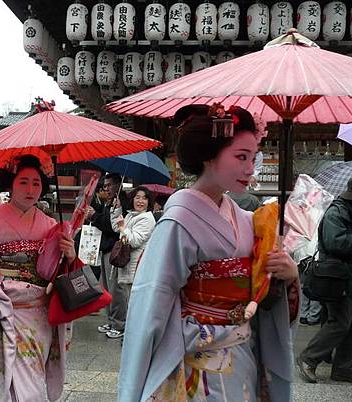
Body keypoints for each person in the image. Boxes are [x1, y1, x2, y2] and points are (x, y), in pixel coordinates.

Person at [118, 104, 299, 401]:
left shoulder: (245, 219)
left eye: (253, 158)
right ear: (208, 156)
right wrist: (134, 384)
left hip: (242, 354)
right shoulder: (180, 220)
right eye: (241, 157)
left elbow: (259, 292)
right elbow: (152, 302)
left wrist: (285, 275)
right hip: (195, 359)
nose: (250, 168)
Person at [0, 155, 78, 401]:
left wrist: (69, 255)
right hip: (5, 309)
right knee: (0, 377)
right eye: (23, 182)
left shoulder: (50, 224)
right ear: (10, 184)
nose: (31, 189)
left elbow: (55, 272)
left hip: (38, 314)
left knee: (33, 376)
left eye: (36, 183)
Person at [297, 176, 352, 386]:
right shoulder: (337, 212)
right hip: (339, 278)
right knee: (339, 324)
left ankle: (345, 369)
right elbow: (334, 243)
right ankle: (308, 358)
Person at [108, 186, 156, 339]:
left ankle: (135, 336)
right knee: (129, 301)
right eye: (137, 197)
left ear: (149, 202)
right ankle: (132, 334)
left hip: (136, 268)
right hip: (125, 265)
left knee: (134, 304)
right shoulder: (131, 216)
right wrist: (116, 211)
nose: (140, 201)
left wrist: (123, 227)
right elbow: (116, 227)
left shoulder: (147, 219)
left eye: (144, 198)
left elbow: (133, 241)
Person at [91, 173, 129, 338]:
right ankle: (111, 320)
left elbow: (112, 227)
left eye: (108, 185)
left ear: (117, 185)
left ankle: (119, 324)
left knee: (115, 289)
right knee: (106, 287)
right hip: (105, 248)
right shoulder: (109, 202)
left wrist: (94, 216)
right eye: (105, 185)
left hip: (115, 249)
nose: (106, 188)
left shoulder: (121, 203)